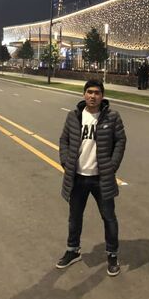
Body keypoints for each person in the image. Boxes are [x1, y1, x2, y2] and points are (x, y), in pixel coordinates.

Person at [56, 79, 127, 277]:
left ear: (102, 96)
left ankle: (112, 254)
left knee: (109, 217)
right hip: (78, 177)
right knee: (75, 217)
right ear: (84, 94)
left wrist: (112, 165)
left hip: (101, 178)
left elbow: (120, 141)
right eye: (89, 92)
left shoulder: (112, 117)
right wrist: (65, 161)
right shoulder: (74, 116)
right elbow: (64, 140)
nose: (93, 96)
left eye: (96, 93)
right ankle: (73, 250)